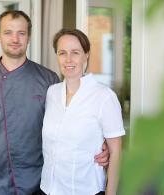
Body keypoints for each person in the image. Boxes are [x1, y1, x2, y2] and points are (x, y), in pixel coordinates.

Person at [0, 11, 108, 195]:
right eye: (8, 32)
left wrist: (101, 146)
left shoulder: (48, 80)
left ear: (28, 37)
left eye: (21, 33)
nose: (15, 39)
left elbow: (71, 125)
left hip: (40, 187)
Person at [40, 28, 125, 195]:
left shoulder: (104, 97)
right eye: (62, 53)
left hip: (85, 190)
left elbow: (116, 152)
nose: (68, 59)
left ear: (86, 54)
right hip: (48, 189)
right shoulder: (52, 93)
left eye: (75, 52)